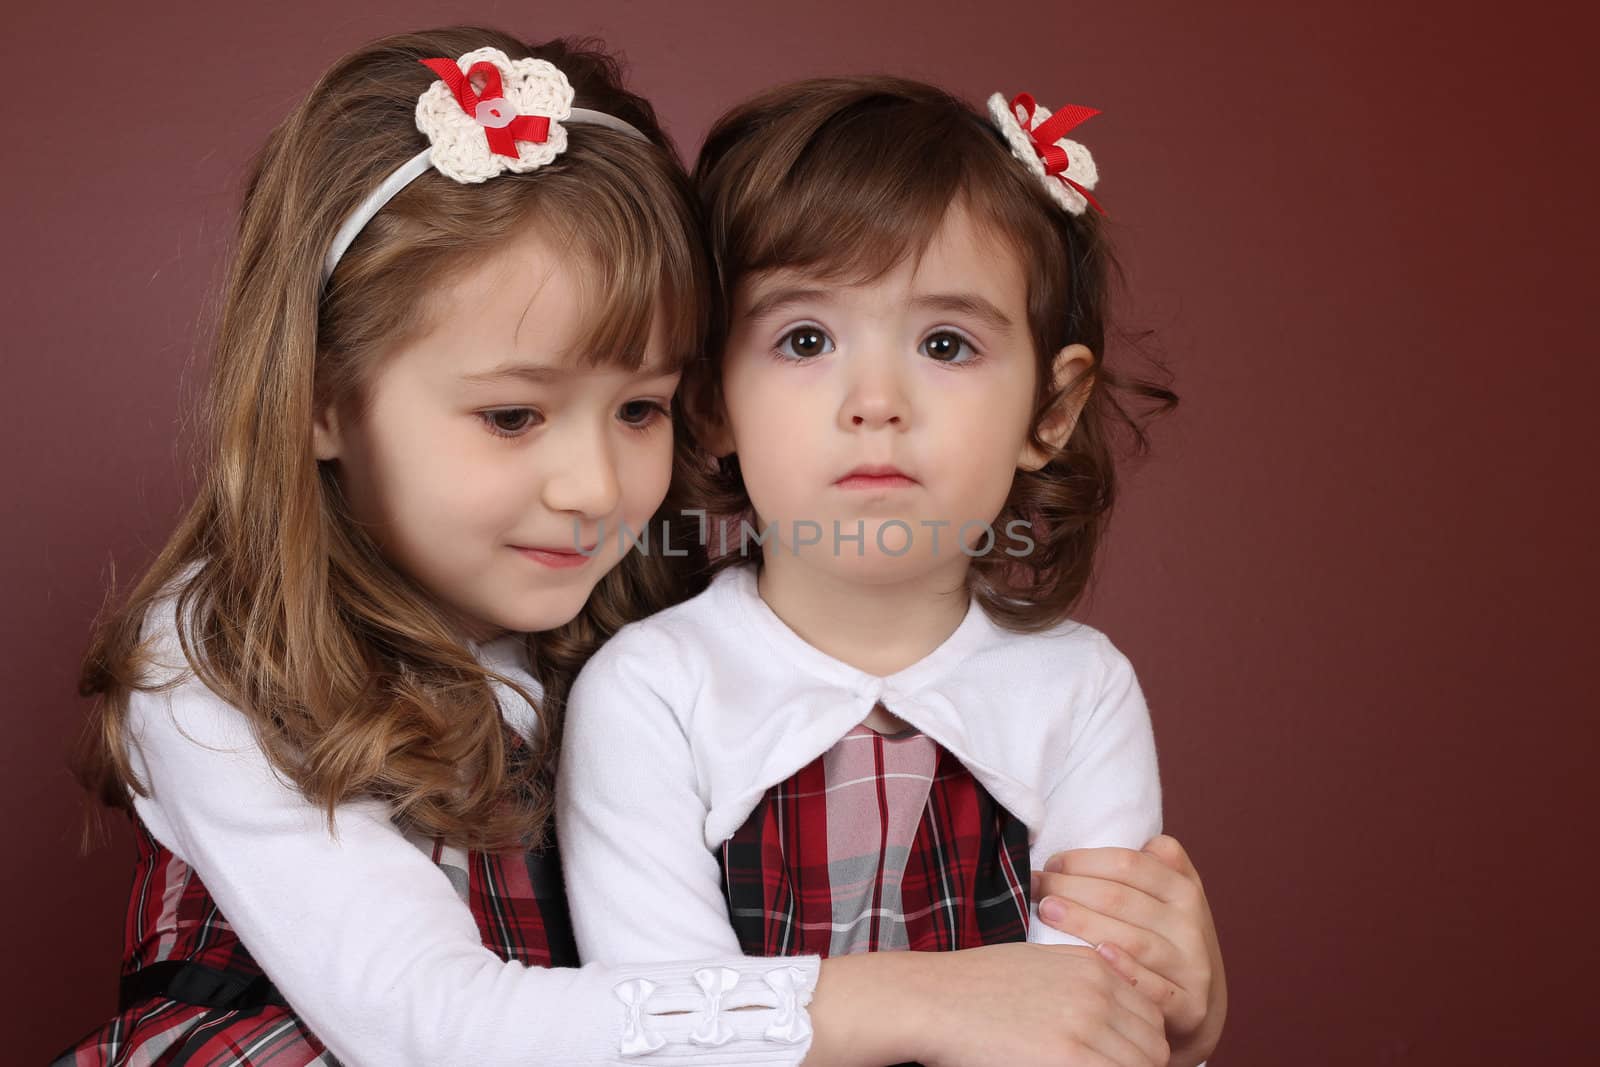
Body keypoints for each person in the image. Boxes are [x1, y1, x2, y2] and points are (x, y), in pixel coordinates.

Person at [60, 31, 1176, 1067]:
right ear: (319, 398)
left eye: (641, 408)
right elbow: (428, 1024)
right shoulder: (222, 662)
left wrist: (1162, 993)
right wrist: (924, 1000)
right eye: (512, 416)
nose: (596, 486)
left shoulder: (647, 622)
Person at [558, 77, 1225, 1066]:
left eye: (945, 343)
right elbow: (668, 1034)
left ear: (1050, 408)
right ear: (710, 405)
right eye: (805, 340)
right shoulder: (653, 691)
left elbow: (1086, 1026)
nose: (875, 399)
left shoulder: (1079, 692)